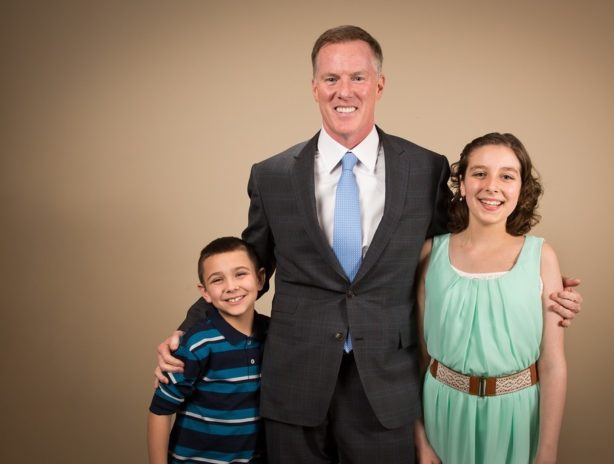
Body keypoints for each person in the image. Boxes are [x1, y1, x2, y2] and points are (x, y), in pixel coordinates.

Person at [155, 26, 583, 463]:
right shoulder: (272, 175)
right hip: (294, 386)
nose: (345, 91)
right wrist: (187, 332)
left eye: (358, 77)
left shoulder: (424, 169)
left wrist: (536, 289)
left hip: (388, 388)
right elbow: (248, 270)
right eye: (331, 79)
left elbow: (459, 250)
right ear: (314, 87)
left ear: (379, 85)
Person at [414, 133, 567, 463]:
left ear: (521, 188)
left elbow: (553, 364)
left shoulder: (542, 257)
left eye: (507, 176)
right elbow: (418, 357)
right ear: (462, 184)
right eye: (479, 173)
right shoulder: (431, 254)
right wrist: (421, 440)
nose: (492, 186)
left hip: (517, 416)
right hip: (443, 412)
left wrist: (548, 452)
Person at [147, 237, 269, 464]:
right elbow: (160, 410)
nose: (231, 286)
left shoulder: (273, 335)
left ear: (260, 278)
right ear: (204, 292)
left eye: (240, 274)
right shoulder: (197, 344)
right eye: (217, 280)